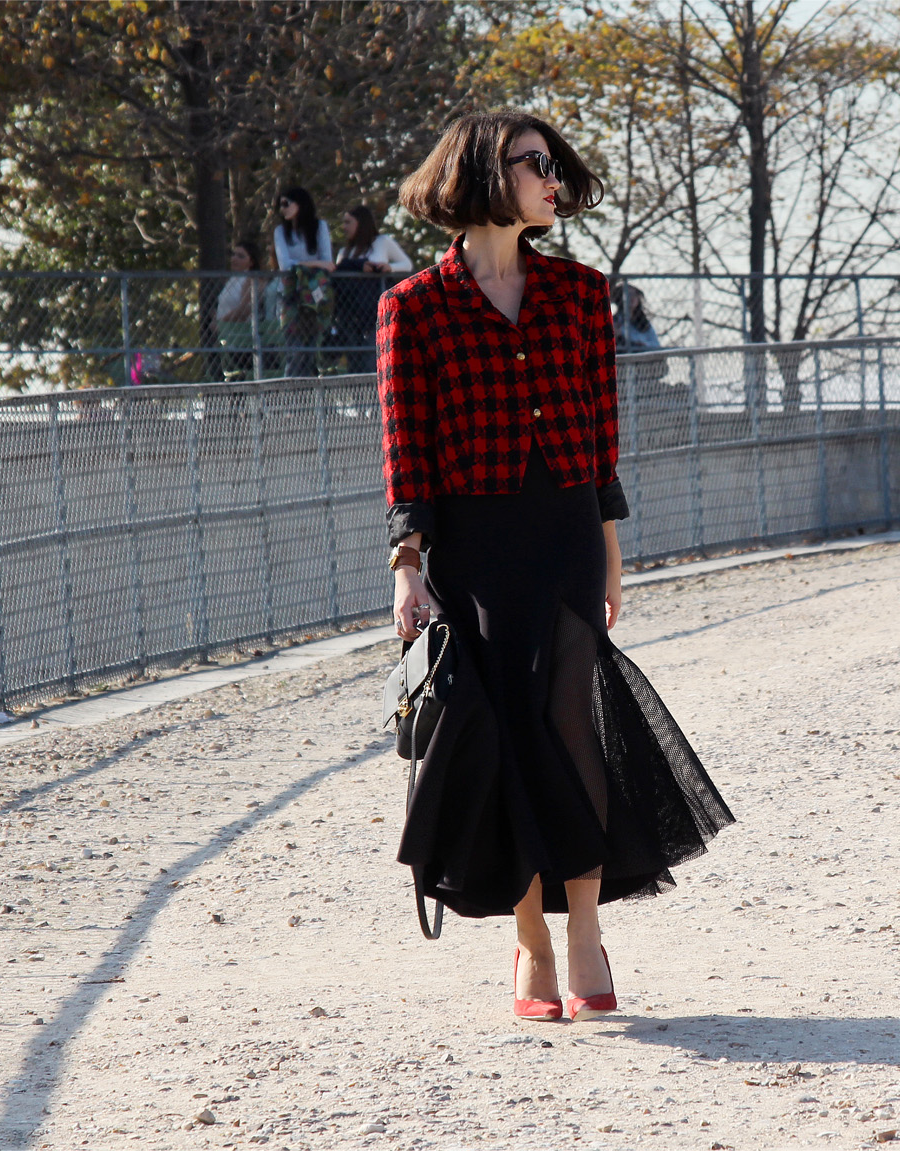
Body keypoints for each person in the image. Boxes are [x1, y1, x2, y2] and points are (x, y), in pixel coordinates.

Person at [379, 110, 734, 1021]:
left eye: (553, 165)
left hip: (568, 531)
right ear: (480, 177)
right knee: (502, 733)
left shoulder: (581, 291)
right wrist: (406, 563)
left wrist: (611, 551)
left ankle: (585, 928)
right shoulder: (411, 306)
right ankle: (529, 937)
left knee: (569, 719)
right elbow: (404, 448)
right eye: (532, 163)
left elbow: (602, 439)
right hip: (473, 545)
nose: (551, 178)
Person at [333, 205, 412, 373]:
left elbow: (406, 264)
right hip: (351, 317)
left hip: (375, 313)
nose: (344, 227)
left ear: (360, 223)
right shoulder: (345, 252)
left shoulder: (382, 242)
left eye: (348, 222)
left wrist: (388, 267)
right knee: (354, 363)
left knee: (374, 359)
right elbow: (337, 272)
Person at [273, 187, 333, 377]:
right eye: (279, 205)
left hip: (315, 295)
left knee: (313, 350)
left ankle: (314, 402)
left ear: (301, 204)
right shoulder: (280, 231)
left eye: (286, 204)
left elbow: (329, 263)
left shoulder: (320, 226)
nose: (282, 209)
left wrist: (301, 265)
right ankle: (291, 398)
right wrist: (313, 264)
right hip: (290, 295)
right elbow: (285, 265)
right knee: (294, 351)